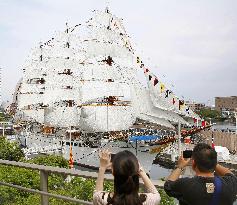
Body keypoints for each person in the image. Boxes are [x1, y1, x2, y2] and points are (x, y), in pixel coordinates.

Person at [164, 143, 237, 205]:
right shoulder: (230, 183)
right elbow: (230, 174)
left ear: (194, 163)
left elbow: (168, 186)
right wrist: (212, 162)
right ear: (214, 162)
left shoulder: (185, 184)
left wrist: (180, 167)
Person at [93, 150, 160, 205]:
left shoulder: (102, 199)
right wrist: (141, 171)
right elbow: (155, 194)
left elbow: (97, 193)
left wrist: (102, 167)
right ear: (136, 171)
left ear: (113, 172)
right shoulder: (148, 200)